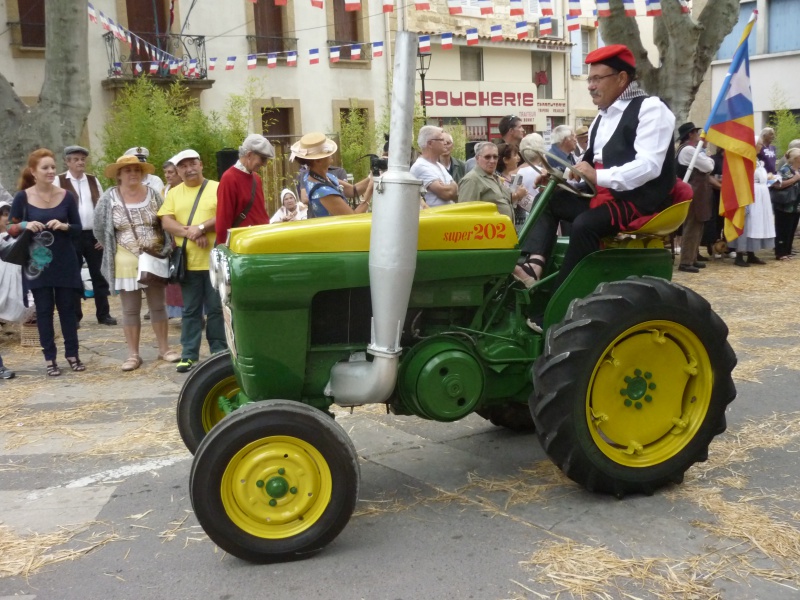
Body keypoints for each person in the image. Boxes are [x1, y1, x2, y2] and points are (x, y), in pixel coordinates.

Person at [514, 44, 676, 290]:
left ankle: (562, 297)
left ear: (622, 78)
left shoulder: (651, 108)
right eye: (589, 79)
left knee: (585, 225)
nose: (590, 85)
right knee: (548, 199)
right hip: (601, 195)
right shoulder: (602, 116)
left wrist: (600, 176)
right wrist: (558, 177)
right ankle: (533, 266)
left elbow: (649, 166)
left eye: (597, 79)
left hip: (637, 200)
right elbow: (587, 163)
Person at [94, 155, 178, 370]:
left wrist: (164, 248)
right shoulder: (109, 197)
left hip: (153, 258)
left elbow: (164, 220)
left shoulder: (154, 195)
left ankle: (164, 349)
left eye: (137, 170)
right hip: (125, 260)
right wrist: (117, 246)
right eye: (128, 170)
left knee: (158, 306)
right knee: (130, 309)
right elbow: (99, 228)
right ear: (119, 174)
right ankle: (133, 355)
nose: (133, 173)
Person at [8, 148, 84, 376]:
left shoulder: (66, 196)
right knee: (43, 311)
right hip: (37, 264)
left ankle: (72, 354)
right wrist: (25, 225)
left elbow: (79, 229)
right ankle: (50, 358)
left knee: (68, 309)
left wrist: (65, 226)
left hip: (65, 260)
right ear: (33, 172)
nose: (51, 171)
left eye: (53, 167)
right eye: (45, 168)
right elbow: (11, 228)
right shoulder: (22, 197)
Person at [157, 149, 226, 373]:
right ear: (178, 171)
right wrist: (190, 233)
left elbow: (224, 215)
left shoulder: (217, 187)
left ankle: (218, 350)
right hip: (188, 261)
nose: (189, 169)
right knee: (191, 310)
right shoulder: (174, 193)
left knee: (216, 308)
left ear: (201, 164)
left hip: (214, 260)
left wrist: (202, 227)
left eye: (192, 164)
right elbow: (167, 222)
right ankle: (189, 354)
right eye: (183, 166)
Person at [55, 145, 117, 326]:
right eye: (76, 159)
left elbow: (103, 208)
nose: (80, 162)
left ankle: (103, 314)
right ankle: (75, 316)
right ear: (67, 162)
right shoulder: (59, 181)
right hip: (70, 234)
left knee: (99, 275)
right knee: (73, 275)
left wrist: (103, 236)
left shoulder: (93, 180)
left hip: (92, 235)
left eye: (82, 159)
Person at [292, 133, 373, 217]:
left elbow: (353, 190)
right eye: (327, 153)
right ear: (317, 161)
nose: (331, 154)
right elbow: (352, 218)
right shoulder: (323, 192)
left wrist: (371, 177)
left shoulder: (317, 176)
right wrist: (370, 190)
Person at [215, 134, 274, 245]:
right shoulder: (229, 178)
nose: (264, 164)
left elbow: (260, 214)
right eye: (263, 159)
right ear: (249, 155)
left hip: (261, 242)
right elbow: (223, 222)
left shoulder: (256, 178)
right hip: (242, 246)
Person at [675, 122, 715, 273]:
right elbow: (709, 166)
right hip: (692, 191)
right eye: (696, 133)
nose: (699, 136)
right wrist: (708, 159)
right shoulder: (689, 151)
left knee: (697, 224)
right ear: (691, 134)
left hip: (697, 192)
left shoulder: (689, 150)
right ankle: (685, 261)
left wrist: (707, 159)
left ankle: (692, 258)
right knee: (692, 225)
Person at [458, 142, 526, 221]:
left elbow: (504, 200)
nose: (492, 161)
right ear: (477, 158)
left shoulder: (495, 177)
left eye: (495, 157)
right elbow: (465, 215)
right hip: (485, 231)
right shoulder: (471, 180)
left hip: (502, 230)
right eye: (487, 157)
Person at [730, 159, 775, 266]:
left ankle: (751, 253)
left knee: (755, 225)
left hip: (760, 197)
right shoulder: (743, 160)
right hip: (748, 195)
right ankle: (739, 255)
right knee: (746, 224)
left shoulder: (758, 161)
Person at [410, 126, 459, 207]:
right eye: (441, 139)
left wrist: (451, 187)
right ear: (430, 143)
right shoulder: (420, 166)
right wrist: (450, 187)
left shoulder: (439, 166)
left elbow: (456, 191)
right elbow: (447, 194)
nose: (445, 143)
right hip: (433, 217)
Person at [772, 148, 800, 261]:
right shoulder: (784, 170)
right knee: (783, 229)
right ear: (796, 158)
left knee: (791, 229)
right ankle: (780, 252)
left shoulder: (799, 170)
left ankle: (787, 251)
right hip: (784, 205)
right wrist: (794, 179)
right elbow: (777, 185)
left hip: (796, 205)